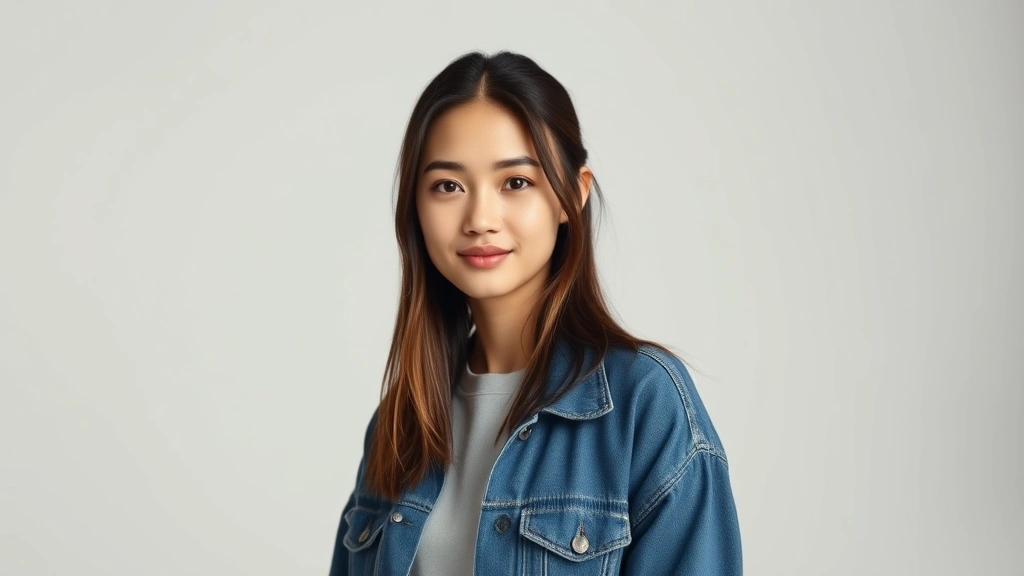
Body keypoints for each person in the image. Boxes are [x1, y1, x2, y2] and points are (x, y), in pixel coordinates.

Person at [328, 50, 742, 576]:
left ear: (573, 195)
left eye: (516, 182)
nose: (480, 218)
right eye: (447, 186)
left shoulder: (643, 404)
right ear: (416, 206)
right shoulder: (401, 421)